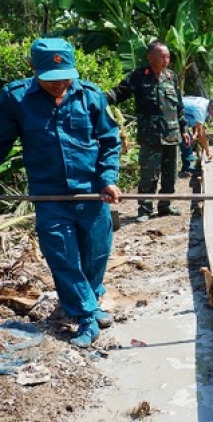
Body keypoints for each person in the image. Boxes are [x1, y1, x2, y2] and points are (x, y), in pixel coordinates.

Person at [0, 38, 122, 347]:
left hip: (92, 193)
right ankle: (85, 317)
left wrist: (108, 178)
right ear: (33, 70)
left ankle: (91, 298)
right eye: (51, 79)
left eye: (65, 77)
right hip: (49, 195)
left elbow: (109, 139)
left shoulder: (90, 96)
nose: (59, 85)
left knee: (96, 253)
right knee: (63, 257)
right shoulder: (15, 99)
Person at [107, 41, 191, 223]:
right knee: (149, 175)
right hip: (150, 136)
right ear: (150, 57)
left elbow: (179, 106)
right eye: (162, 56)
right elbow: (119, 93)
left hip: (172, 134)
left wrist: (184, 128)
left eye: (168, 56)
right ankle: (144, 209)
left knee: (170, 174)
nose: (166, 60)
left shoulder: (171, 77)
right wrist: (100, 99)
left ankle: (165, 205)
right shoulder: (139, 76)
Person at [179, 96, 213, 177]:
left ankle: (189, 162)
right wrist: (207, 150)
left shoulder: (206, 105)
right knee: (186, 140)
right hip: (173, 115)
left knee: (191, 138)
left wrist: (195, 135)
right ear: (211, 105)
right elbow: (201, 134)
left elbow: (198, 124)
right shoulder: (201, 108)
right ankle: (187, 168)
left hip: (184, 116)